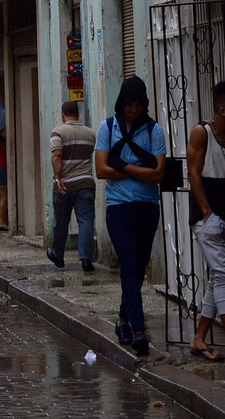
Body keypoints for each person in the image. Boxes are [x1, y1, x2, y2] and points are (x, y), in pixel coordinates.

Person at [95, 75, 166, 357]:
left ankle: (123, 319)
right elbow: (101, 170)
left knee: (139, 265)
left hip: (148, 207)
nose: (133, 110)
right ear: (121, 103)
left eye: (138, 105)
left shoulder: (153, 131)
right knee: (130, 264)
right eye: (129, 105)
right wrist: (141, 170)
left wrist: (122, 165)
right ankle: (138, 330)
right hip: (119, 209)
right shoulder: (107, 128)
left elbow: (159, 174)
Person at [186, 80, 225, 361]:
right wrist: (206, 213)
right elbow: (193, 173)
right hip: (208, 217)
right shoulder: (201, 133)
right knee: (224, 273)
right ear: (223, 111)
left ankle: (199, 338)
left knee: (218, 278)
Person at [48, 101, 97, 272]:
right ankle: (86, 259)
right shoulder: (91, 134)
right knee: (86, 221)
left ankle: (58, 255)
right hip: (85, 182)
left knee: (61, 221)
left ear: (63, 114)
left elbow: (57, 155)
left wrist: (57, 177)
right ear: (78, 113)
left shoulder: (58, 131)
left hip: (64, 184)